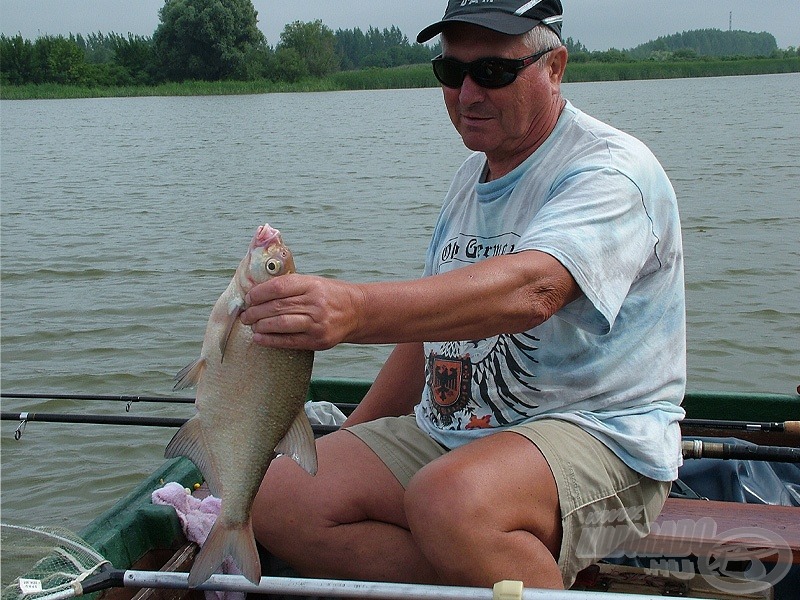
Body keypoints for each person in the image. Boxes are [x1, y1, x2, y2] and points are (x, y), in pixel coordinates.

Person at [241, 0, 686, 590]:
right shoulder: (471, 178)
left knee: (450, 502)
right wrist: (352, 433)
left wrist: (353, 311)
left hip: (601, 436)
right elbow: (434, 334)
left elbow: (536, 287)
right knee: (277, 495)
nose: (468, 92)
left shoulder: (610, 171)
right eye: (451, 72)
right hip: (452, 433)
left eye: (494, 72)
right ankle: (493, 581)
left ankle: (494, 567)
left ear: (555, 67)